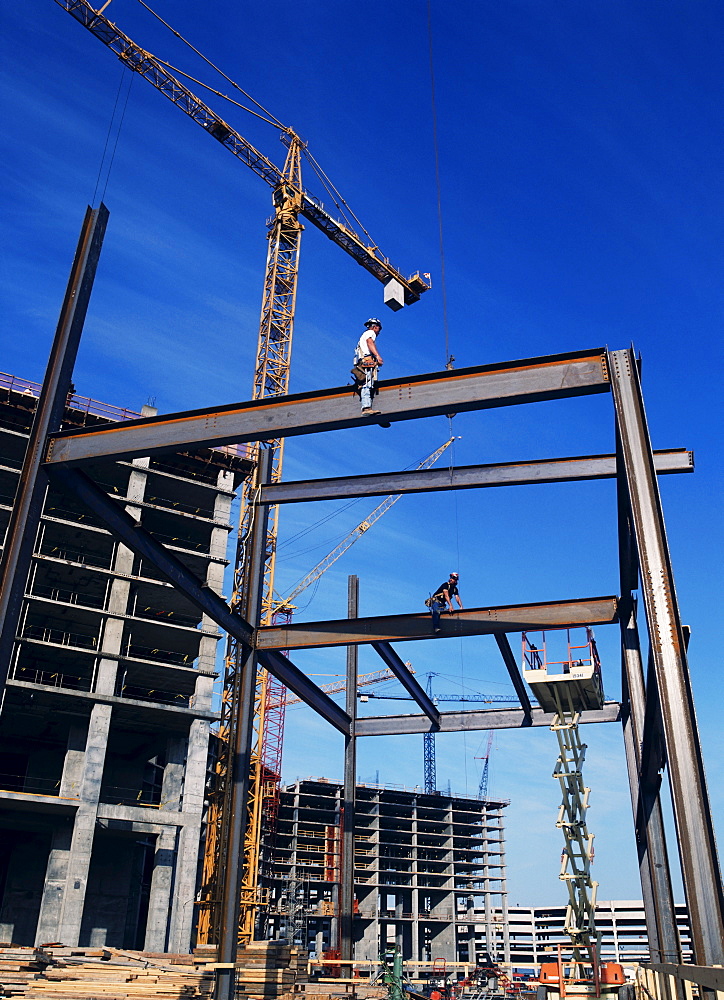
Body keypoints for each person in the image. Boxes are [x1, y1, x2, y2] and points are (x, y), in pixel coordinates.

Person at [352, 317, 384, 416]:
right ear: (375, 327)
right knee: (367, 383)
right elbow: (370, 342)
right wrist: (378, 356)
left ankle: (367, 405)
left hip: (361, 361)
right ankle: (366, 407)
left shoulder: (363, 335)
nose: (378, 332)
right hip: (366, 360)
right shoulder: (370, 333)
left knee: (365, 383)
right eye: (378, 329)